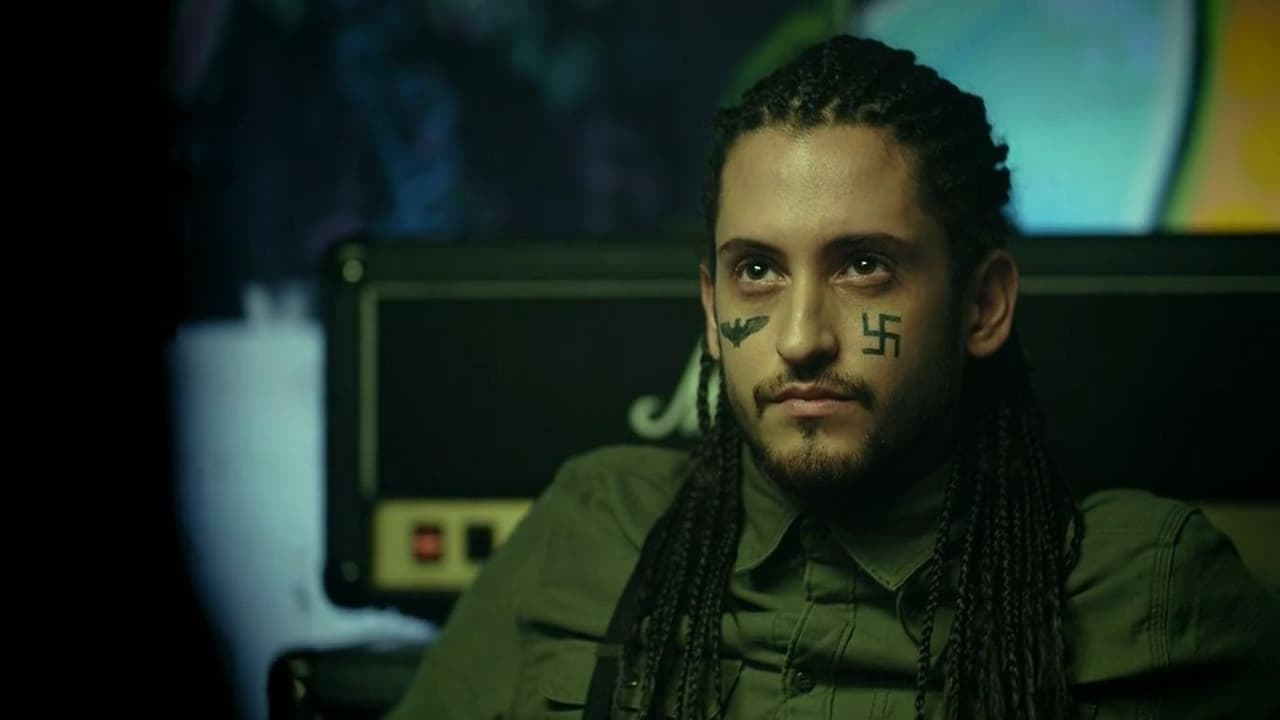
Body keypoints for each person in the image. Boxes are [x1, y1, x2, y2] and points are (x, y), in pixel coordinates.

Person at [385, 34, 1280, 719]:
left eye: (863, 266)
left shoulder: (1152, 588)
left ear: (983, 306)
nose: (801, 338)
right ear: (711, 308)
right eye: (757, 271)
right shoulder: (592, 526)